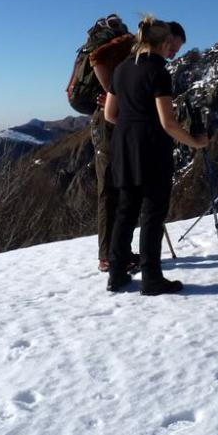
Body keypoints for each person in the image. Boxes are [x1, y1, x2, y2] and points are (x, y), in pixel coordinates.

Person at [104, 16, 208, 294]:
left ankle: (116, 274)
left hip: (122, 146)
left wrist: (132, 123)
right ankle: (151, 278)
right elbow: (168, 123)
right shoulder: (158, 71)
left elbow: (109, 114)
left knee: (125, 211)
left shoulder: (122, 68)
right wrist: (195, 143)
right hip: (151, 149)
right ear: (164, 42)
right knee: (152, 214)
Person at [88, 18, 137, 273]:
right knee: (110, 189)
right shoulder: (116, 49)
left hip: (111, 123)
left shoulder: (120, 49)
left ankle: (118, 251)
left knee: (116, 188)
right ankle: (109, 256)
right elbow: (99, 63)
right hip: (108, 124)